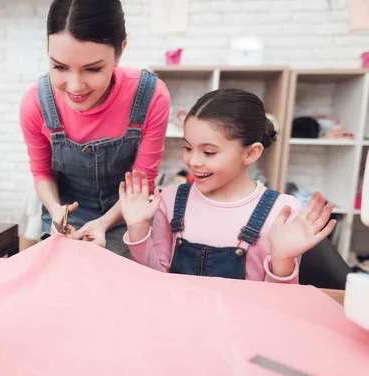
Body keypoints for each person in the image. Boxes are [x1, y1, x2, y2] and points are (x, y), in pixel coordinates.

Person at [119, 88, 336, 282]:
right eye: (187, 148)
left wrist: (282, 258)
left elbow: (278, 305)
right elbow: (154, 282)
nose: (193, 161)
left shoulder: (282, 211)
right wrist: (137, 228)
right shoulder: (171, 198)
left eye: (209, 152)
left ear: (251, 153)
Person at [20, 0, 170, 257]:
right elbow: (41, 173)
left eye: (93, 69)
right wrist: (57, 211)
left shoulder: (150, 96)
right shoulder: (36, 103)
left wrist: (102, 223)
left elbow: (141, 183)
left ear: (120, 51)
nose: (76, 86)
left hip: (126, 219)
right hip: (66, 220)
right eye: (60, 67)